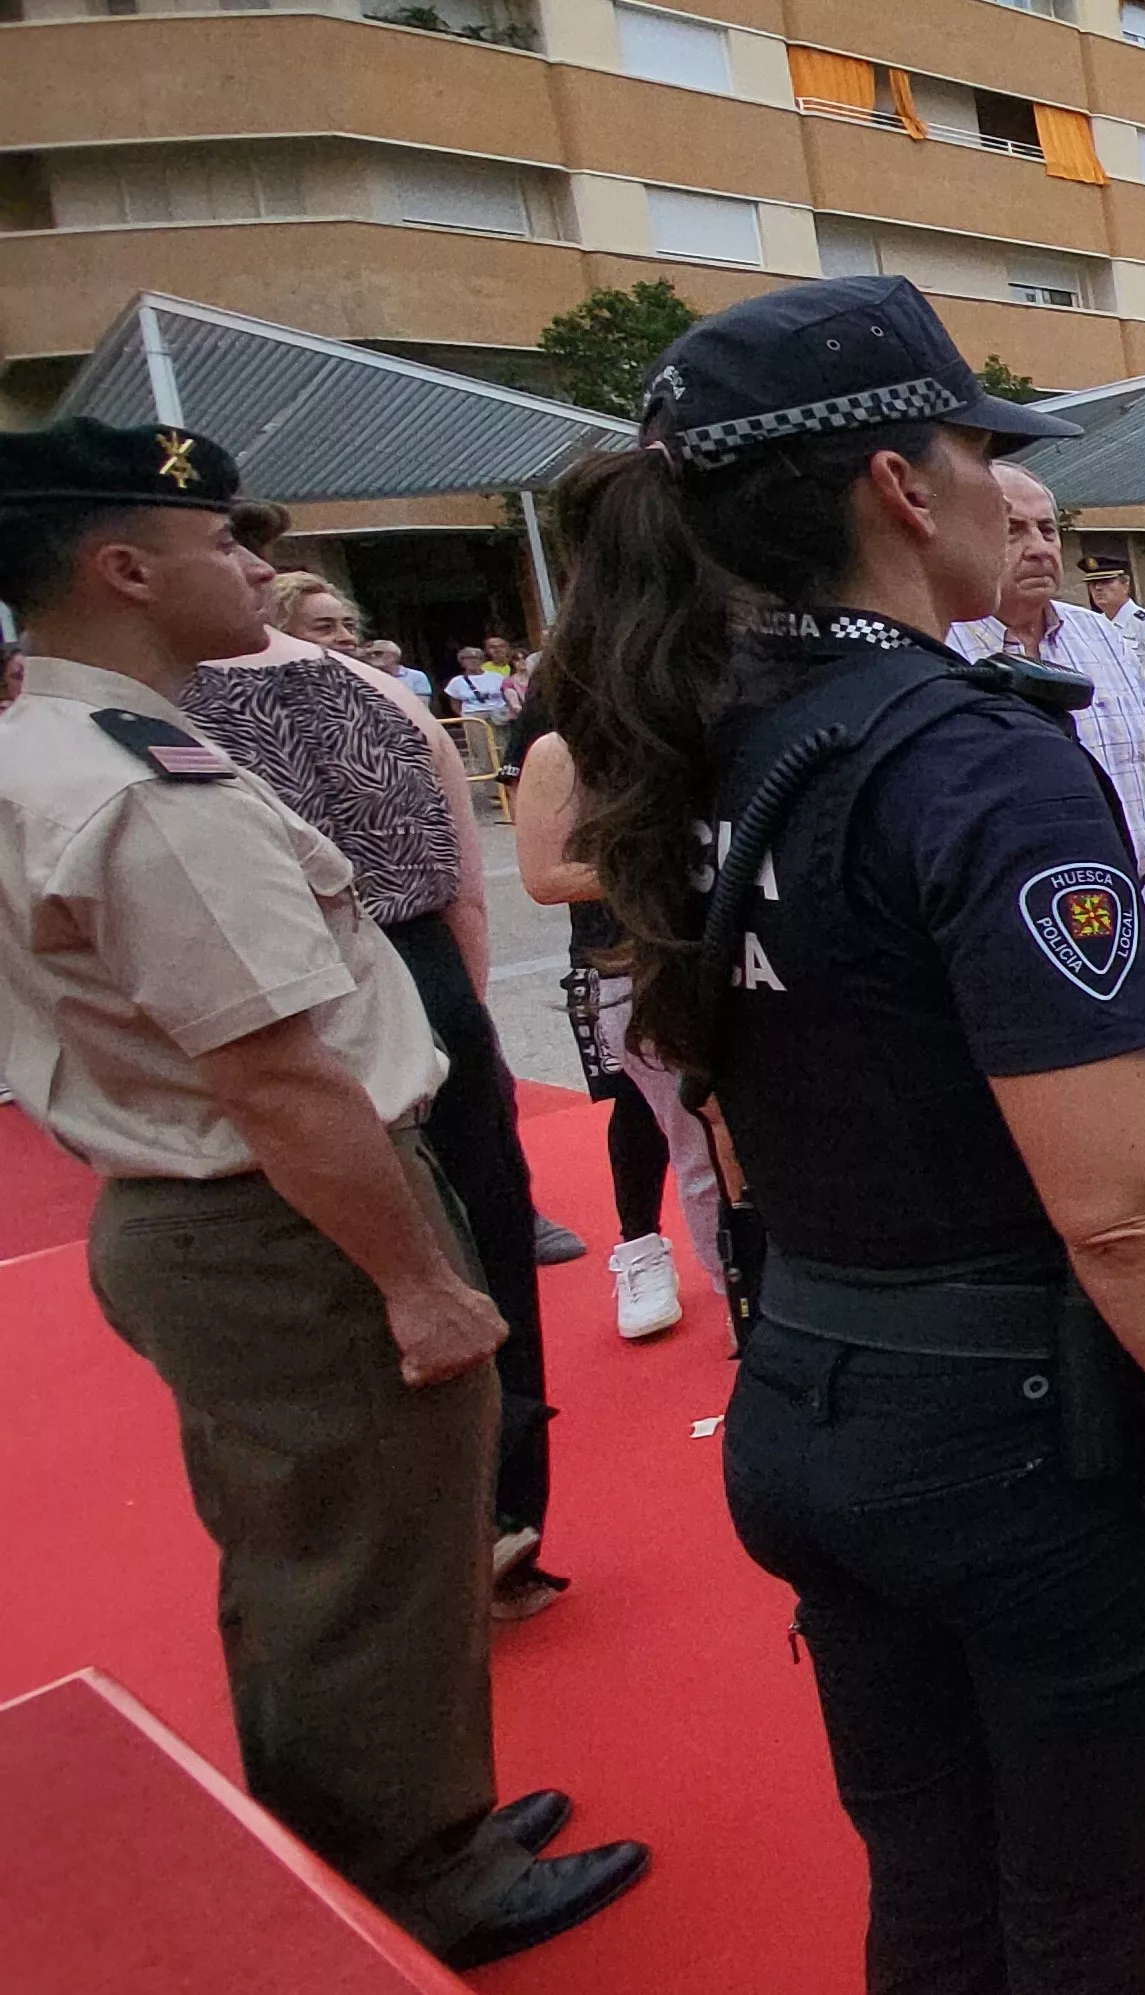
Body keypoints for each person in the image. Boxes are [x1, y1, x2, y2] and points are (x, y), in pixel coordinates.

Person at [538, 274, 1145, 1993]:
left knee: (929, 1895)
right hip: (1019, 1445)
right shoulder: (970, 759)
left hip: (814, 1389)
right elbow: (1128, 1212)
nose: (1010, 495)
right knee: (1089, 1927)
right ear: (902, 490)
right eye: (985, 452)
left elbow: (736, 1111)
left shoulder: (685, 728)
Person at [0, 415, 649, 1966]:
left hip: (214, 1208)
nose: (254, 565)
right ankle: (423, 1868)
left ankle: (383, 1814)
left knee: (315, 1542)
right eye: (226, 542)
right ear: (124, 567)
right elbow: (279, 1072)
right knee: (368, 1550)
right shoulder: (137, 780)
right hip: (282, 1212)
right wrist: (421, 1278)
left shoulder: (48, 739)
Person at [188, 568, 568, 1617]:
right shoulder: (377, 699)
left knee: (360, 1273)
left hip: (306, 996)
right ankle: (503, 1514)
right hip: (402, 977)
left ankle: (435, 1546)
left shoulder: (133, 716)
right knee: (475, 1252)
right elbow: (458, 889)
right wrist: (462, 1026)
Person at [948, 462, 1145, 978]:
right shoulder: (941, 649)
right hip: (1008, 919)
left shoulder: (1101, 637)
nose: (1039, 547)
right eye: (1013, 530)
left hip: (1129, 896)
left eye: (1048, 529)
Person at [510, 715, 724, 1345]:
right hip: (631, 960)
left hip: (724, 949)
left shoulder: (709, 709)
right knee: (667, 1122)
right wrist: (675, 870)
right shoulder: (563, 744)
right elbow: (544, 875)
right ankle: (664, 1258)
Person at [1082, 555, 1145, 715]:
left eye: (1107, 582)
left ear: (1125, 584)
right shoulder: (1097, 624)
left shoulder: (1144, 623)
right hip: (1120, 713)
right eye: (1093, 584)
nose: (1098, 589)